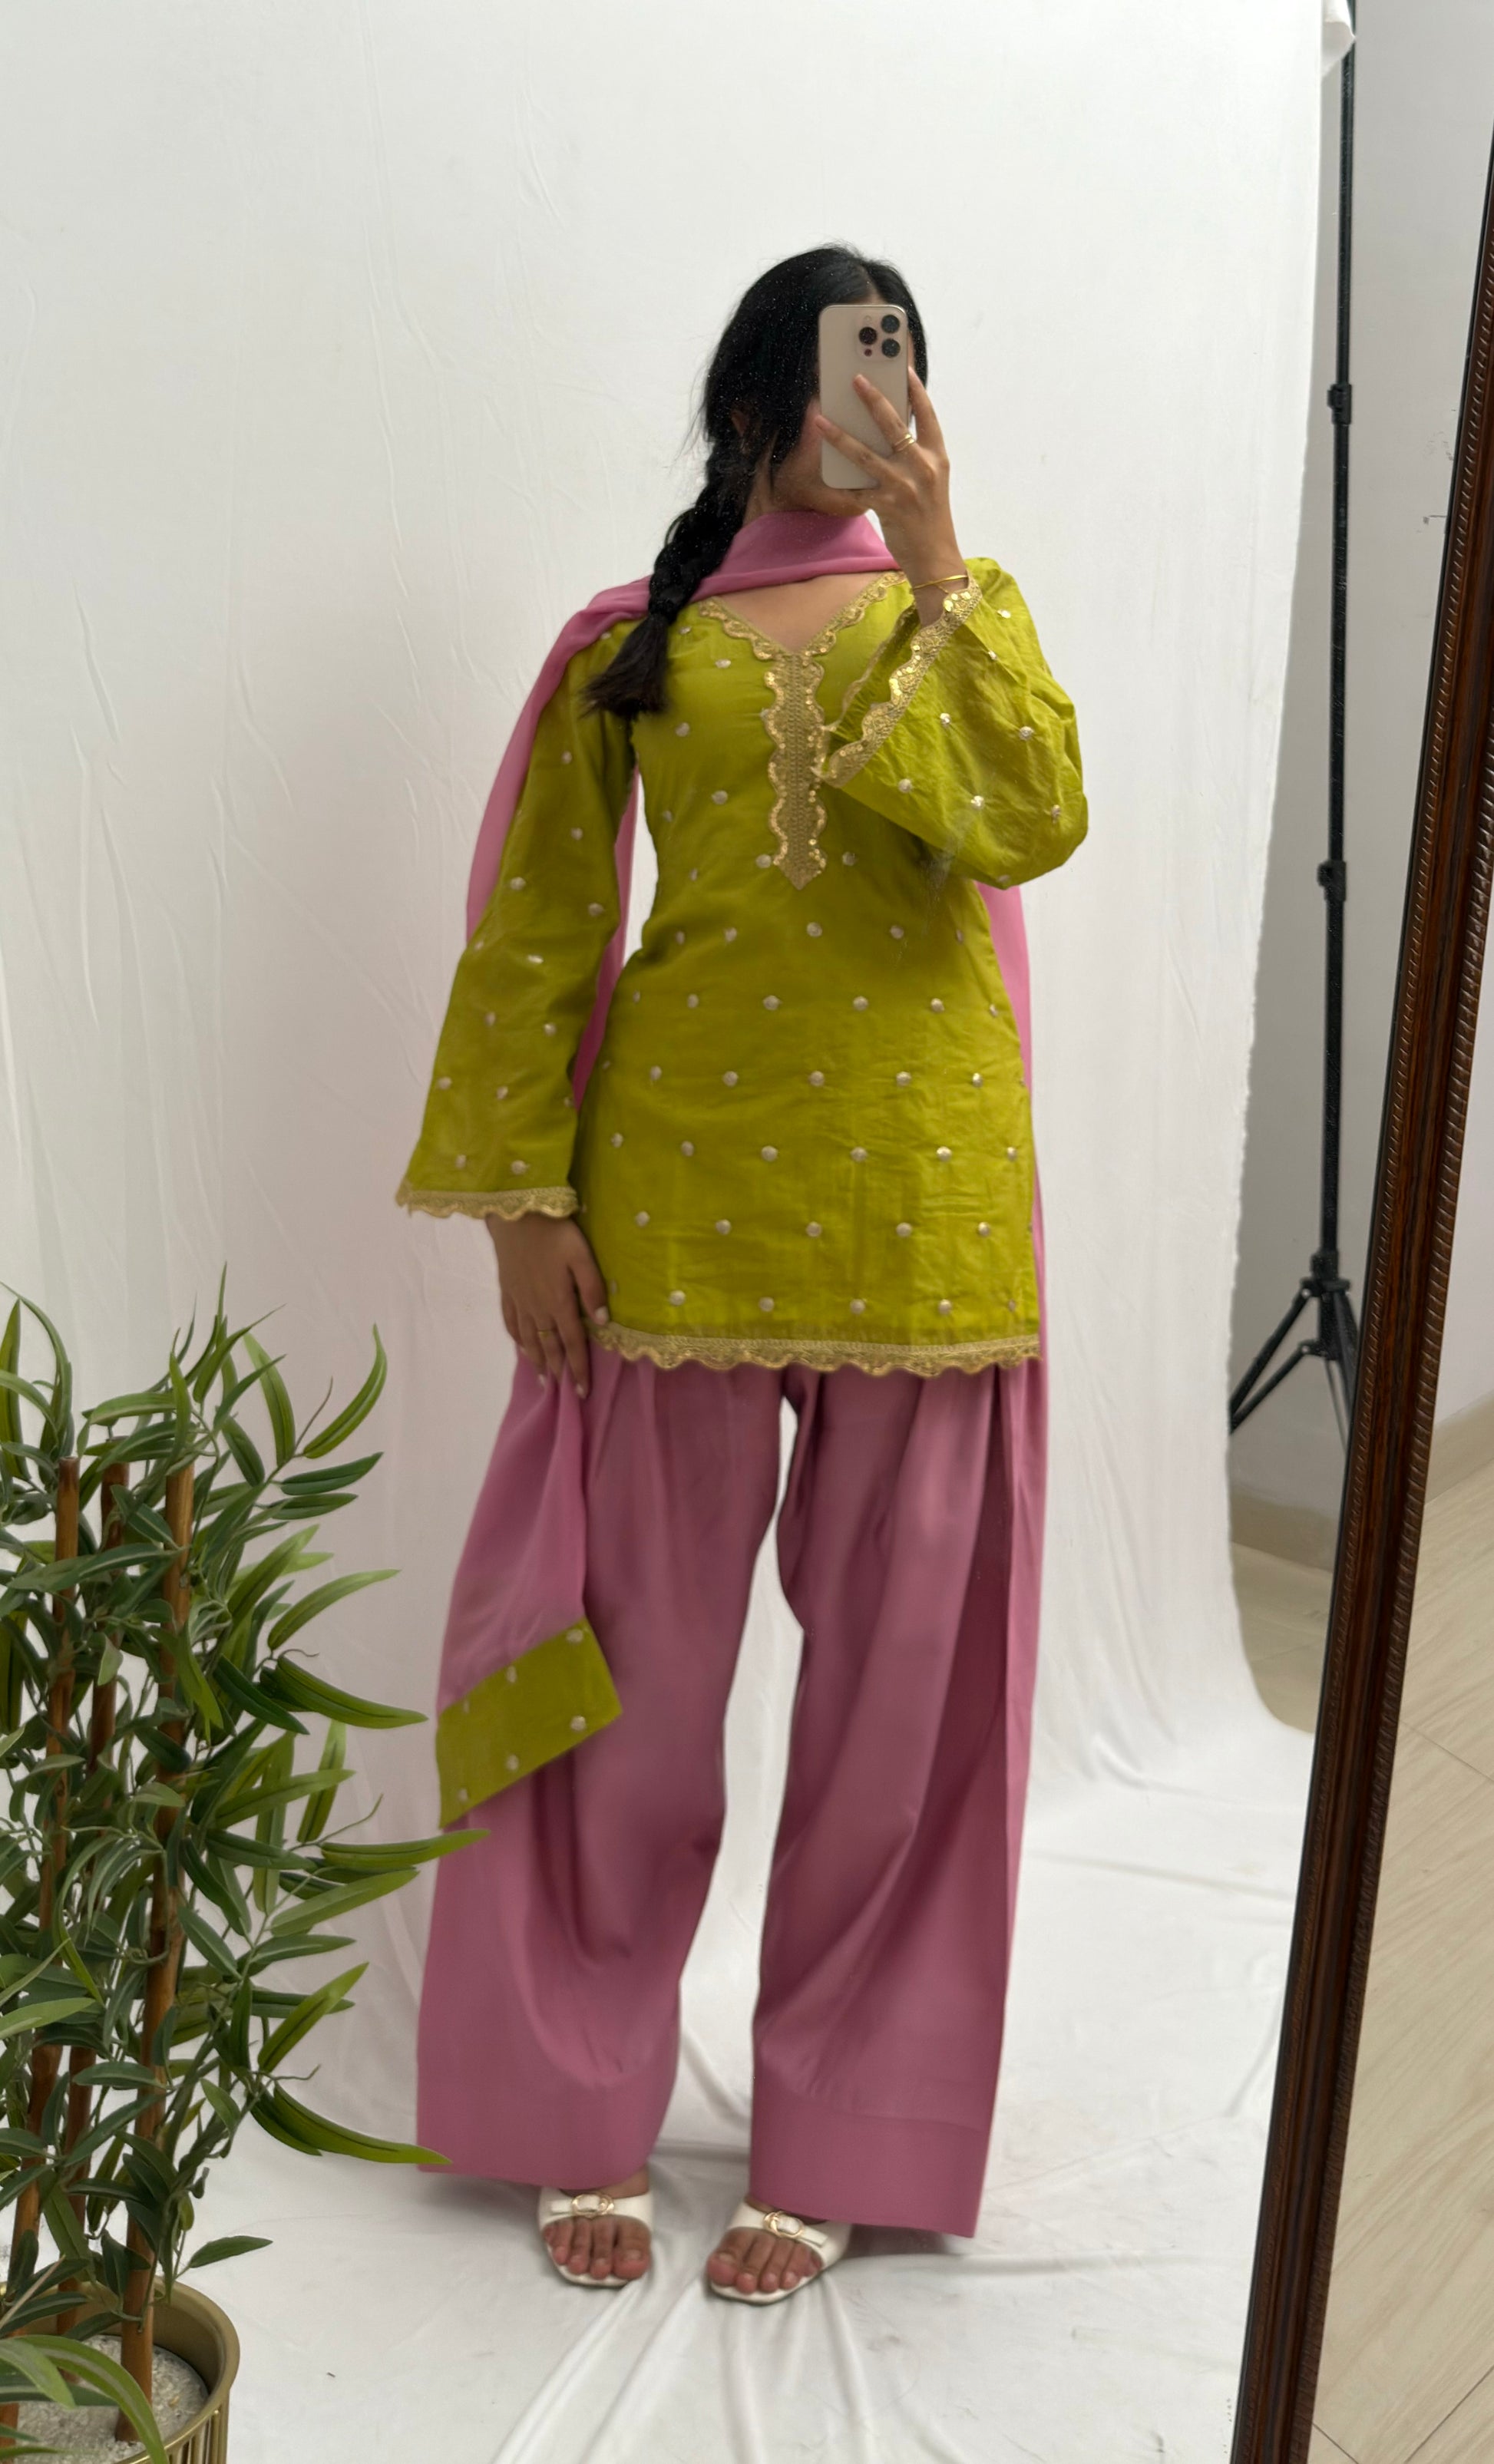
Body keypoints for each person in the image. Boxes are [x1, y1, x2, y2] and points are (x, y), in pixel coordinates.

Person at [396, 245, 1087, 2304]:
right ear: (753, 396)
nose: (879, 398)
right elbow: (537, 928)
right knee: (625, 1688)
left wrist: (945, 564)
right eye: (846, 362)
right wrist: (522, 1204)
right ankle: (571, 2098)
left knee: (897, 1712)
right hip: (672, 1208)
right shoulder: (630, 640)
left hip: (920, 1219)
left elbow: (1028, 820)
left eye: (905, 364)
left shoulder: (957, 617)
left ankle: (845, 2129)